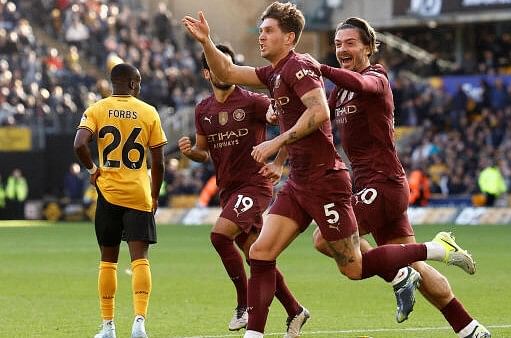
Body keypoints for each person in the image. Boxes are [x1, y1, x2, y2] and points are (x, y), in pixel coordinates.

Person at [182, 4, 475, 338]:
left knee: (353, 267)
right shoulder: (275, 73)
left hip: (328, 181)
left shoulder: (302, 67)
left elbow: (319, 113)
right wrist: (207, 42)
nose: (261, 36)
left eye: (268, 31)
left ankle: (436, 249)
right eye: (260, 30)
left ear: (289, 37)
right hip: (300, 181)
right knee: (261, 253)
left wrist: (276, 144)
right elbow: (230, 72)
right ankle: (256, 334)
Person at [311, 17, 491, 338]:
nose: (342, 49)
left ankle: (432, 250)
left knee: (326, 238)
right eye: (338, 44)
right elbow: (313, 110)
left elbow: (363, 85)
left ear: (368, 46)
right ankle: (470, 329)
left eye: (350, 43)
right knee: (414, 269)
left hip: (383, 183)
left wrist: (320, 69)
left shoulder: (376, 76)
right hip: (374, 187)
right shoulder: (339, 93)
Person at [177, 44, 306, 332]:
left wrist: (279, 162)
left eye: (230, 63)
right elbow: (202, 151)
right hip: (228, 190)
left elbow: (290, 122)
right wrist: (190, 153)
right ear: (207, 72)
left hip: (254, 185)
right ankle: (295, 310)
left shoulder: (253, 101)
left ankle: (243, 304)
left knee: (219, 236)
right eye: (219, 65)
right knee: (258, 256)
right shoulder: (203, 109)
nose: (227, 70)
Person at [73, 63, 167, 338]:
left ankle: (108, 327)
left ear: (113, 83)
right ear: (134, 84)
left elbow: (79, 144)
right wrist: (154, 194)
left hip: (108, 193)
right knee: (140, 260)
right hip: (138, 194)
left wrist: (93, 171)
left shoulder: (97, 109)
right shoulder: (149, 112)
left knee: (108, 261)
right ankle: (139, 323)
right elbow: (158, 161)